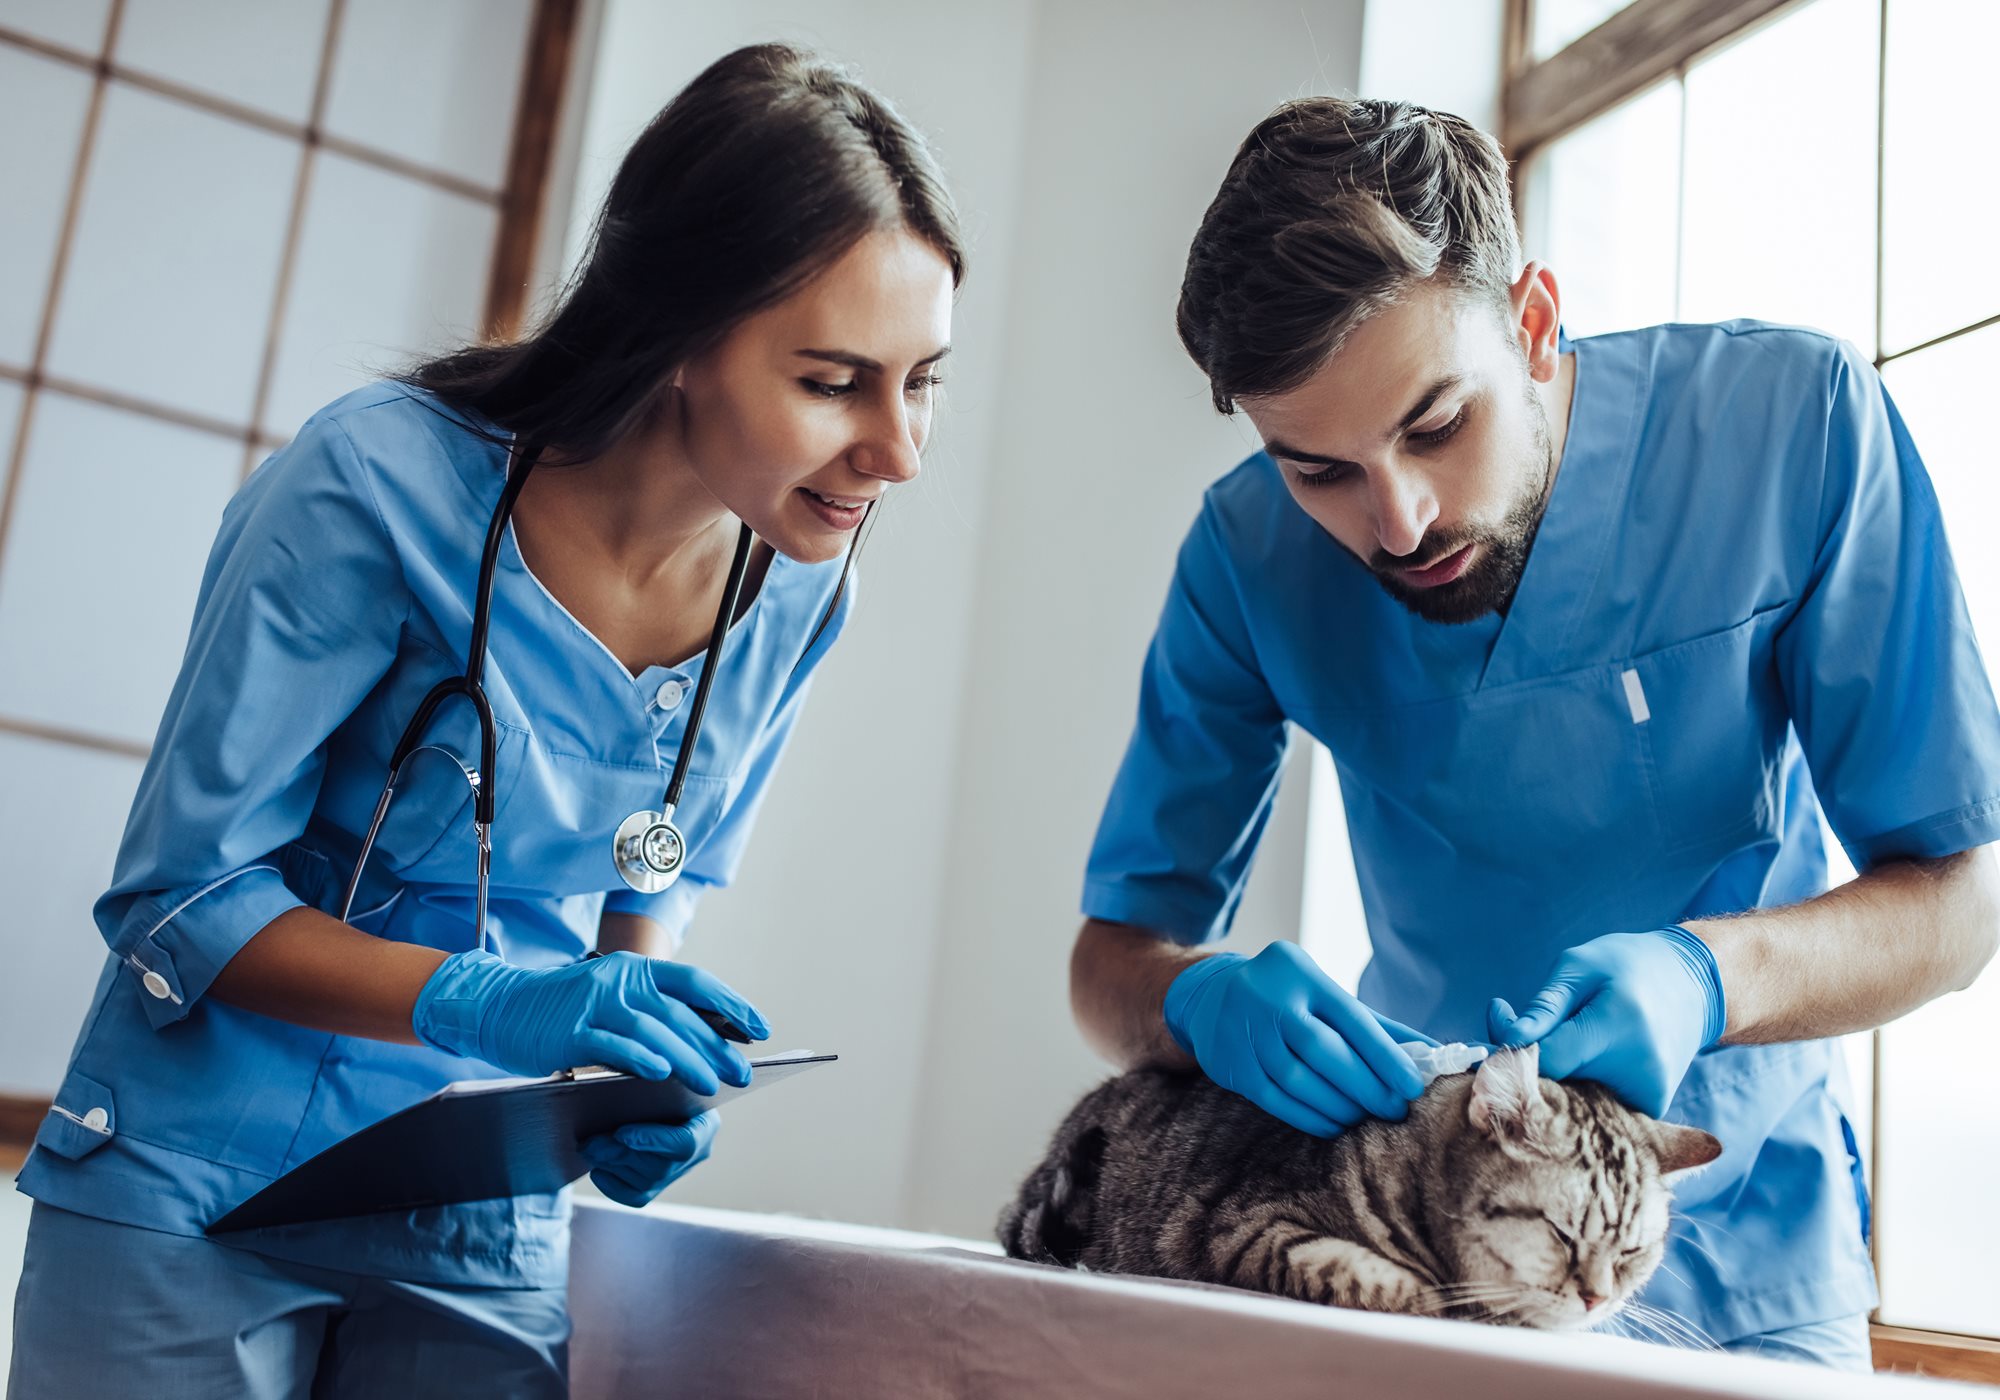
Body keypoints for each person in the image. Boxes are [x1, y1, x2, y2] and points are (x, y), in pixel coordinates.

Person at [7, 44, 960, 1399]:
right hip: (195, 1178)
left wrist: (637, 1057)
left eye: (924, 379)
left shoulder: (799, 586)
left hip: (478, 1213)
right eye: (834, 382)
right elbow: (184, 894)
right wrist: (493, 1001)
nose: (898, 450)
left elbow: (657, 857)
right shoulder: (374, 485)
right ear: (684, 335)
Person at [1069, 96, 2000, 1369]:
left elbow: (1958, 901)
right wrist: (1198, 1001)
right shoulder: (1240, 555)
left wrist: (1704, 976)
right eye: (1318, 470)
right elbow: (1111, 958)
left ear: (1534, 322)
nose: (1394, 520)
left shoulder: (1791, 425)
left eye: (1436, 424)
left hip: (1741, 1235)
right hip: (1414, 1261)